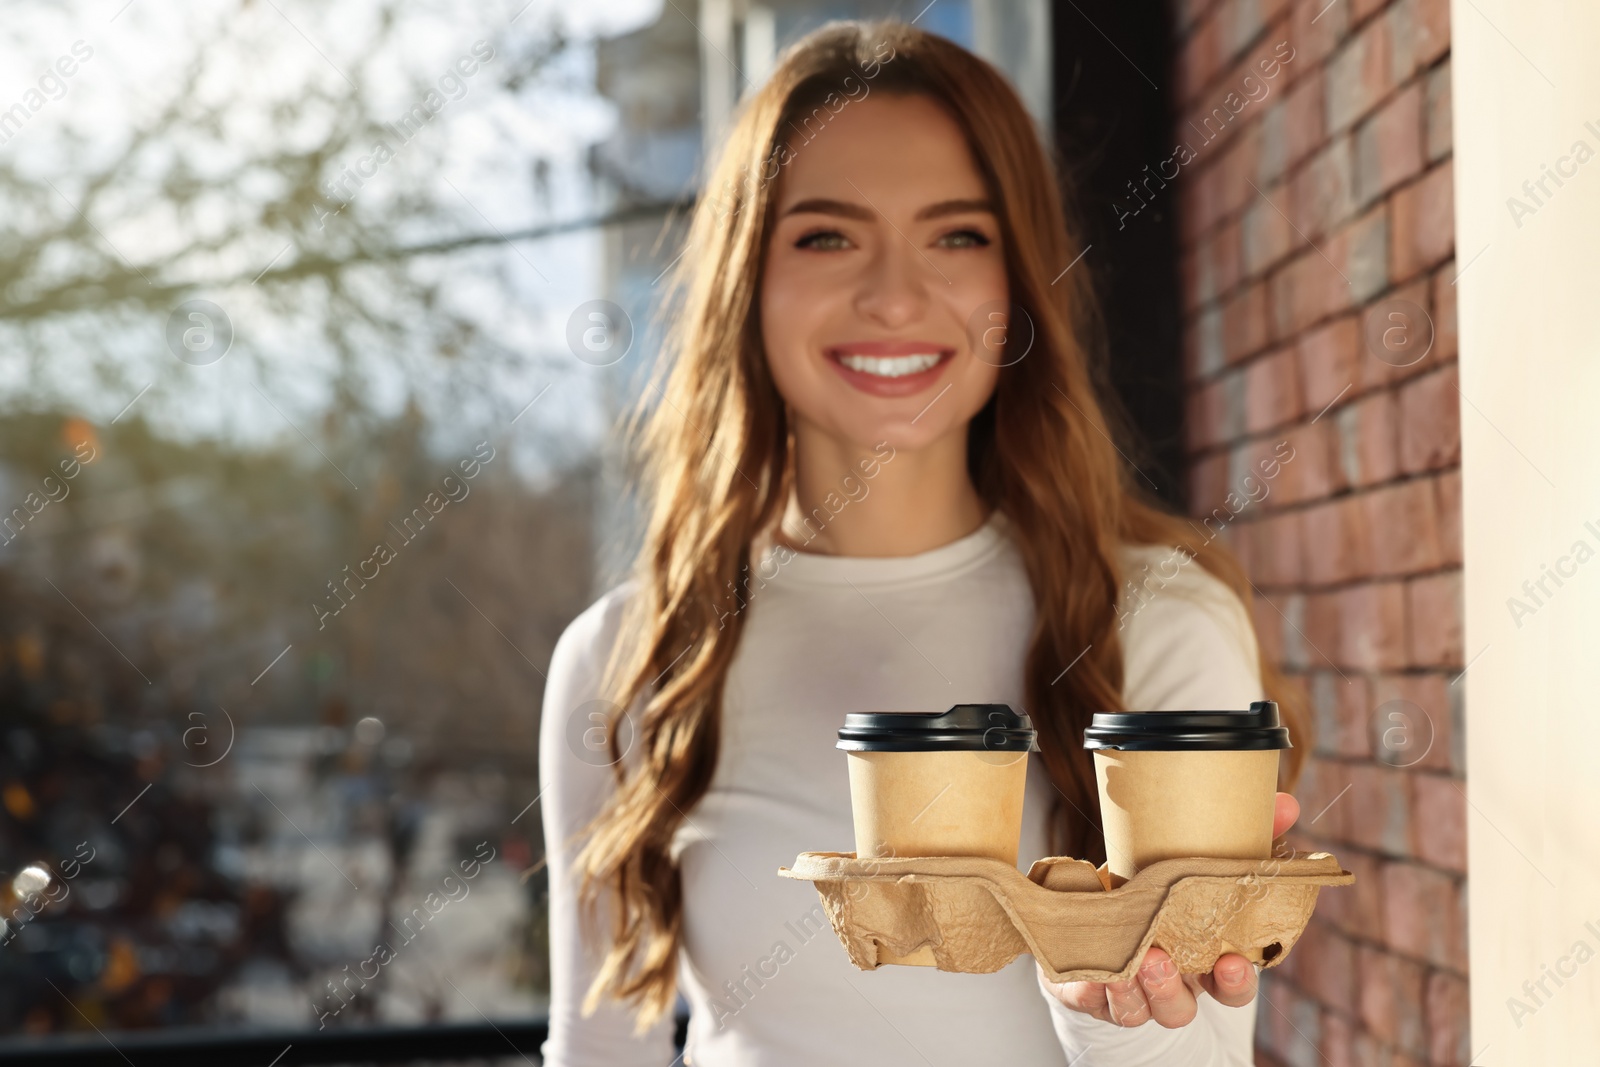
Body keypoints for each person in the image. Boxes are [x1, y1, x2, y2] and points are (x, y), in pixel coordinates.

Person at [539, 19, 1308, 1066]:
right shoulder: (626, 657)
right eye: (825, 235)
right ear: (745, 281)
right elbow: (600, 1048)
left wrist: (1099, 1001)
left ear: (1016, 286)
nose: (895, 295)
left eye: (957, 235)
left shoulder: (1157, 620)